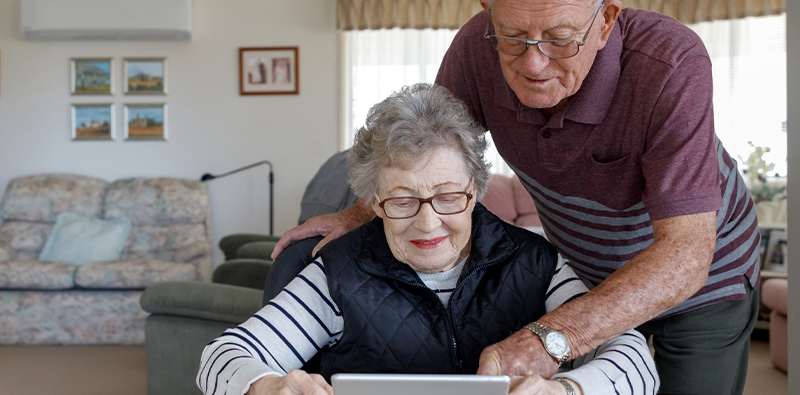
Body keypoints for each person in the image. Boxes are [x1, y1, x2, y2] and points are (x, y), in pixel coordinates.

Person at [271, 0, 760, 393]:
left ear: (606, 20)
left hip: (702, 280)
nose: (532, 62)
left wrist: (550, 340)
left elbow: (687, 253)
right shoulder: (474, 49)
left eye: (560, 39)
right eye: (512, 36)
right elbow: (425, 152)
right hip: (589, 274)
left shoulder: (671, 64)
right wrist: (362, 212)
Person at [200, 84, 658, 395]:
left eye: (448, 197)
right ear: (373, 200)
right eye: (401, 201)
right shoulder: (336, 272)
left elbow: (638, 362)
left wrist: (567, 389)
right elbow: (222, 356)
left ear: (475, 190)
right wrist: (264, 384)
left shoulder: (537, 262)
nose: (427, 223)